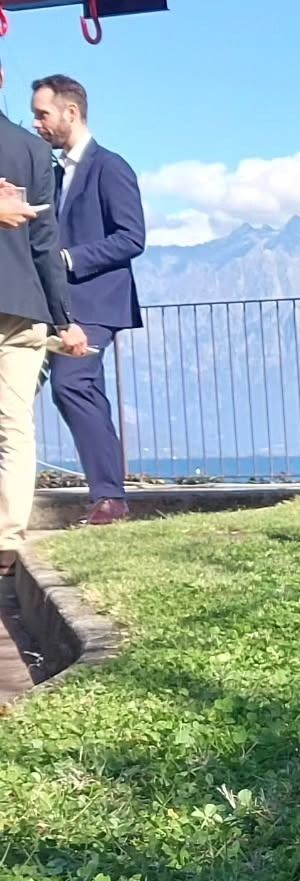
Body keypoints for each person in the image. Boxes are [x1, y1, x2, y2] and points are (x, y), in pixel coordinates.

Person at [31, 73, 144, 526]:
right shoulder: (51, 176)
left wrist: (68, 259)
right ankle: (107, 495)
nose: (36, 123)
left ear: (70, 112)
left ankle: (110, 498)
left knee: (73, 385)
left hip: (95, 305)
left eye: (42, 113)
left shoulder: (111, 168)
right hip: (47, 305)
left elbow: (132, 238)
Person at [0, 66, 88, 575]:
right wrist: (64, 318)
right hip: (23, 306)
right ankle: (8, 540)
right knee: (14, 427)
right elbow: (44, 246)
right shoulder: (32, 151)